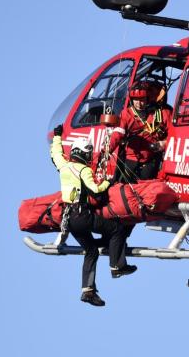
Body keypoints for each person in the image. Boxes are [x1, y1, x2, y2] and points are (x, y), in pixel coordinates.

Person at [51, 124, 136, 307]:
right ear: (83, 153)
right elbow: (95, 190)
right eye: (88, 154)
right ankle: (117, 266)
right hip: (82, 216)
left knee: (90, 251)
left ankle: (88, 291)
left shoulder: (64, 166)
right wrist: (109, 182)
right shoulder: (84, 170)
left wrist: (57, 136)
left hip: (68, 221)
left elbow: (55, 154)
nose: (89, 158)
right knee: (117, 229)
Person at [106, 81, 172, 183]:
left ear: (148, 98)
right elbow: (118, 133)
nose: (139, 103)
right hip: (130, 158)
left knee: (144, 188)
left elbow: (175, 136)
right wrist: (107, 149)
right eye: (136, 99)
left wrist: (164, 143)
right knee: (124, 187)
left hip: (151, 159)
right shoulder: (126, 114)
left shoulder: (163, 113)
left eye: (142, 99)